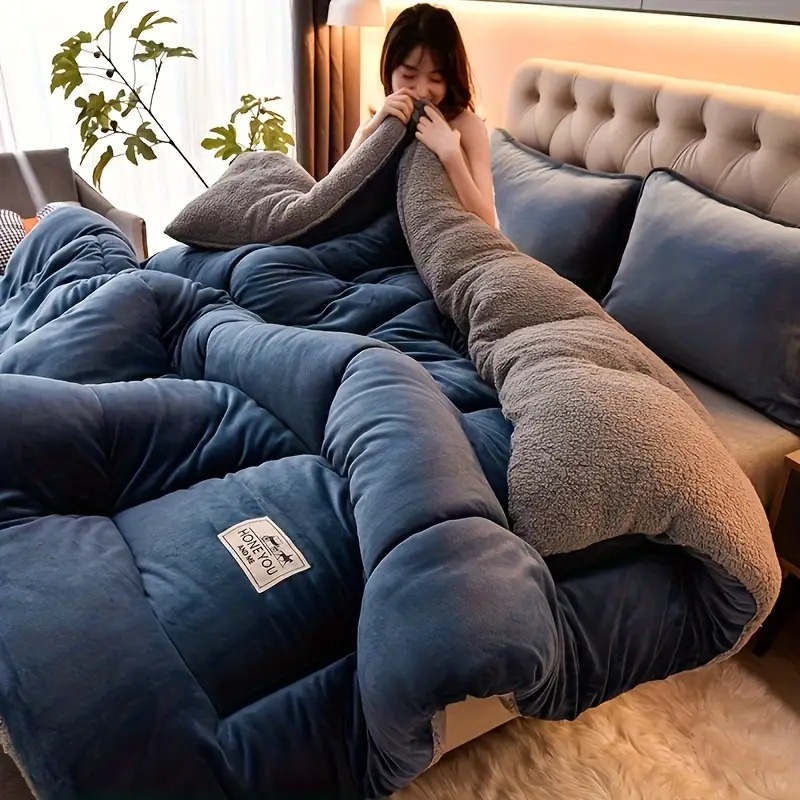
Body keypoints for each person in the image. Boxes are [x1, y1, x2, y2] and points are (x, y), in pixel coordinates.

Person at [343, 3, 496, 227]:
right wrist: (370, 129)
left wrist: (451, 155)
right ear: (389, 70)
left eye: (436, 79)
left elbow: (488, 222)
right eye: (408, 75)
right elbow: (334, 188)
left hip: (427, 236)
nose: (422, 91)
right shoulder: (386, 119)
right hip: (366, 234)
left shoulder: (467, 126)